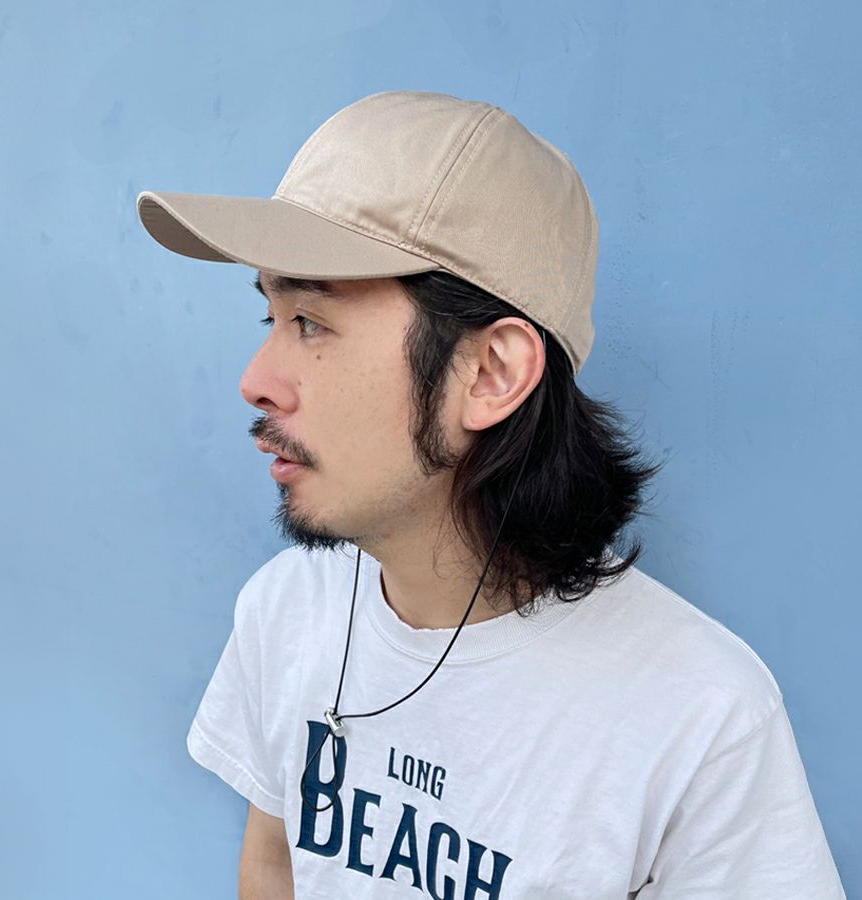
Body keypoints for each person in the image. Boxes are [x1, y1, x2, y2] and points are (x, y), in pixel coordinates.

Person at [136, 91, 845, 898]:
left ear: (492, 373)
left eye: (311, 321)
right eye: (270, 316)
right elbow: (274, 865)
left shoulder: (702, 719)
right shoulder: (287, 612)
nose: (256, 380)